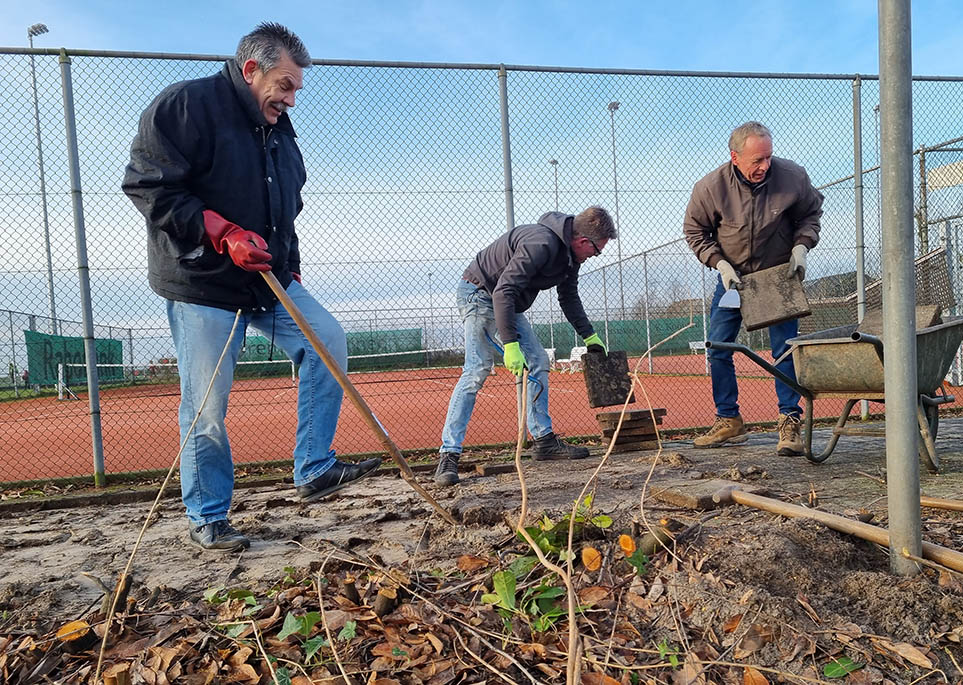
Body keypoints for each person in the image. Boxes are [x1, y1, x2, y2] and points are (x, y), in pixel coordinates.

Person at [122, 23, 380, 552]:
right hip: (203, 281)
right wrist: (221, 232)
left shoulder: (278, 127)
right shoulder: (186, 106)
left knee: (326, 341)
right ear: (250, 71)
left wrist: (293, 268)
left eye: (296, 88)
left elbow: (286, 209)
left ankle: (314, 467)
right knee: (207, 405)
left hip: (269, 278)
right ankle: (209, 514)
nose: (292, 98)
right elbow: (148, 185)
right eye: (285, 85)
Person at [434, 207, 617, 486]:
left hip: (508, 301)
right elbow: (503, 290)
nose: (595, 255)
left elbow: (568, 296)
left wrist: (589, 335)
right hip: (481, 294)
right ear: (582, 241)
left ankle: (543, 441)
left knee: (538, 361)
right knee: (477, 370)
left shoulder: (571, 257)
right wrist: (510, 345)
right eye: (597, 250)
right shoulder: (540, 243)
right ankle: (449, 454)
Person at [683, 121, 823, 455]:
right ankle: (729, 420)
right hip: (734, 280)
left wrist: (802, 245)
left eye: (768, 158)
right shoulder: (710, 188)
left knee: (784, 350)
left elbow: (811, 215)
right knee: (718, 347)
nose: (764, 166)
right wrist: (719, 263)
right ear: (734, 157)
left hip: (777, 278)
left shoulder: (793, 177)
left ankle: (790, 421)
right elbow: (694, 231)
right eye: (756, 161)